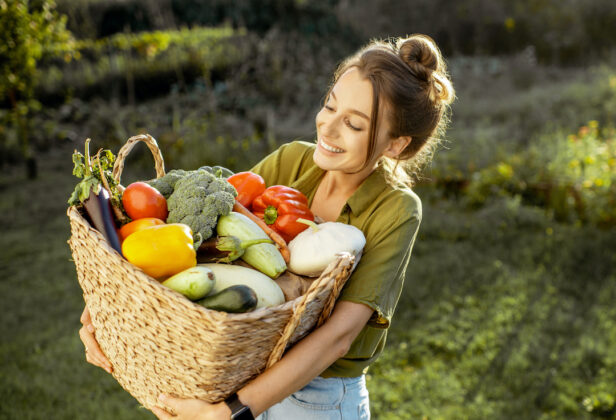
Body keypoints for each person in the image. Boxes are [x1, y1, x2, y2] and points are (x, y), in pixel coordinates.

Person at [79, 33, 455, 419]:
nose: (327, 128)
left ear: (395, 144)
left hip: (313, 399)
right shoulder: (291, 161)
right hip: (237, 372)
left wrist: (231, 412)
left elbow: (338, 338)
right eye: (329, 106)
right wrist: (108, 313)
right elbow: (189, 248)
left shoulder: (395, 209)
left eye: (354, 125)